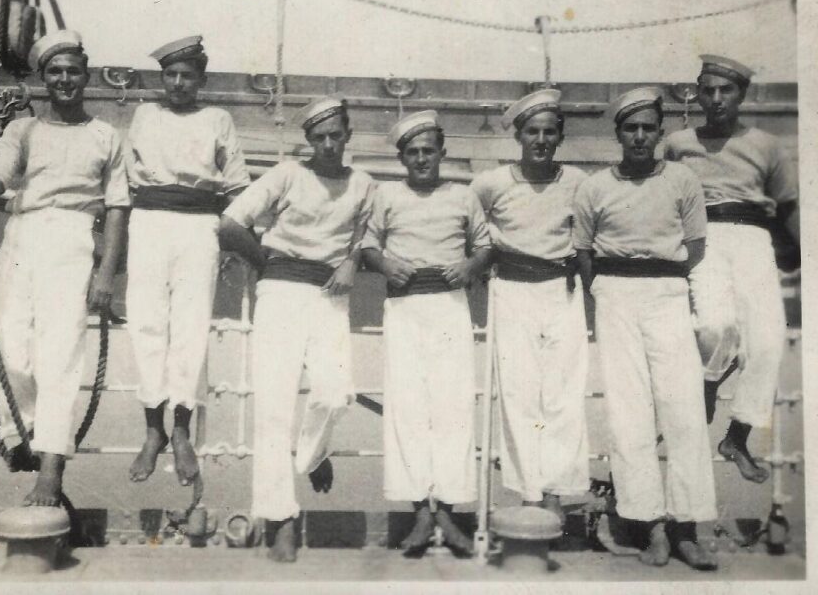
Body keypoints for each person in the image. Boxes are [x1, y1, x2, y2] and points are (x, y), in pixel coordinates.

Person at [0, 29, 130, 506]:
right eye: (55, 72)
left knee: (59, 355)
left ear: (86, 76)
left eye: (73, 71)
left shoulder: (106, 136)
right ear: (43, 79)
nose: (64, 80)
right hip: (22, 236)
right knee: (3, 350)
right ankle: (21, 432)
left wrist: (106, 275)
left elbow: (117, 209)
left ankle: (50, 470)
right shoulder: (22, 131)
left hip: (73, 240)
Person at [219, 94, 375, 562]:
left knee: (335, 393)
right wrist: (265, 261)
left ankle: (312, 454)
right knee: (273, 408)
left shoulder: (363, 184)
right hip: (281, 293)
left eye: (336, 136)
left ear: (348, 136)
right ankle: (280, 520)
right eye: (319, 137)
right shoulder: (287, 174)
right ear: (309, 139)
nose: (328, 145)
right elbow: (230, 224)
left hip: (330, 295)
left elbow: (369, 234)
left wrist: (352, 260)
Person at [572, 87, 717, 570]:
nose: (639, 136)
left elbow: (696, 246)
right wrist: (605, 290)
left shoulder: (682, 179)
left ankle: (686, 528)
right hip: (615, 296)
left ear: (660, 133)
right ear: (618, 133)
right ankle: (650, 526)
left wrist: (661, 277)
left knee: (683, 409)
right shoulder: (594, 187)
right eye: (630, 128)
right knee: (629, 413)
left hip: (668, 293)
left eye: (648, 128)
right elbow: (584, 251)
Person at [361, 110, 491, 558]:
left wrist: (471, 266)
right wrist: (384, 264)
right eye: (413, 152)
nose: (421, 159)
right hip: (404, 307)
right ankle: (419, 511)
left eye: (428, 151)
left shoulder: (463, 196)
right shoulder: (385, 195)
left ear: (441, 153)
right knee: (408, 407)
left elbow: (485, 245)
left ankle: (449, 514)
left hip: (450, 307)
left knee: (453, 407)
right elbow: (368, 245)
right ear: (402, 157)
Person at [665, 55, 799, 484]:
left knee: (768, 343)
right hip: (705, 236)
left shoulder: (766, 146)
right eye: (709, 90)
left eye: (726, 90)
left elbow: (788, 205)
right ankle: (707, 382)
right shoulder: (678, 143)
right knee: (714, 326)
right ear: (699, 95)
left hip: (755, 241)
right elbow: (664, 198)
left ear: (742, 95)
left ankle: (737, 437)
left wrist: (801, 253)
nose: (717, 98)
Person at [124, 35, 251, 488]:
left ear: (201, 80)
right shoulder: (145, 115)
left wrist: (245, 234)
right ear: (163, 78)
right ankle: (152, 429)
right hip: (148, 222)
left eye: (187, 76)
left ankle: (181, 429)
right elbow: (125, 177)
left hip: (199, 226)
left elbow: (238, 184)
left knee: (190, 326)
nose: (178, 83)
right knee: (146, 323)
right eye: (171, 75)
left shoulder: (218, 119)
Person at [471, 89, 590, 526]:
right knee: (520, 396)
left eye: (549, 133)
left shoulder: (578, 182)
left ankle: (557, 491)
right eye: (532, 132)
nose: (541, 140)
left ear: (560, 137)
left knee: (563, 395)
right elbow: (468, 227)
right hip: (512, 290)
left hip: (562, 289)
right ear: (518, 136)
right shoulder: (490, 184)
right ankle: (530, 494)